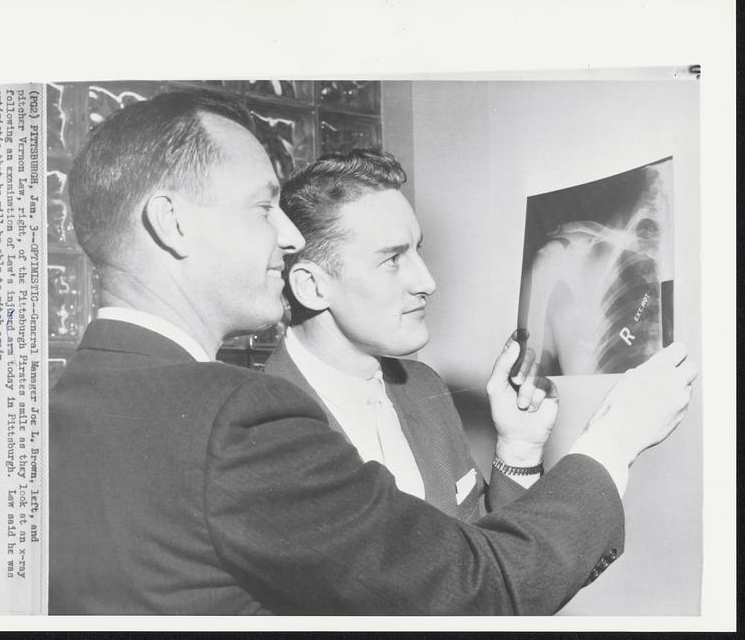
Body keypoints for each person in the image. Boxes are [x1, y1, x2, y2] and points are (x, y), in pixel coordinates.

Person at [49, 89, 698, 616]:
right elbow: (472, 590)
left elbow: (463, 546)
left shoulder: (77, 396)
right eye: (263, 207)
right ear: (172, 221)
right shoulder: (250, 420)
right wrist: (615, 438)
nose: (284, 236)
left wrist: (518, 453)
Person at [265, 149, 544, 520]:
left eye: (417, 250)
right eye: (392, 259)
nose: (427, 282)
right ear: (312, 287)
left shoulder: (424, 386)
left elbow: (487, 557)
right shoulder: (258, 427)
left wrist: (519, 449)